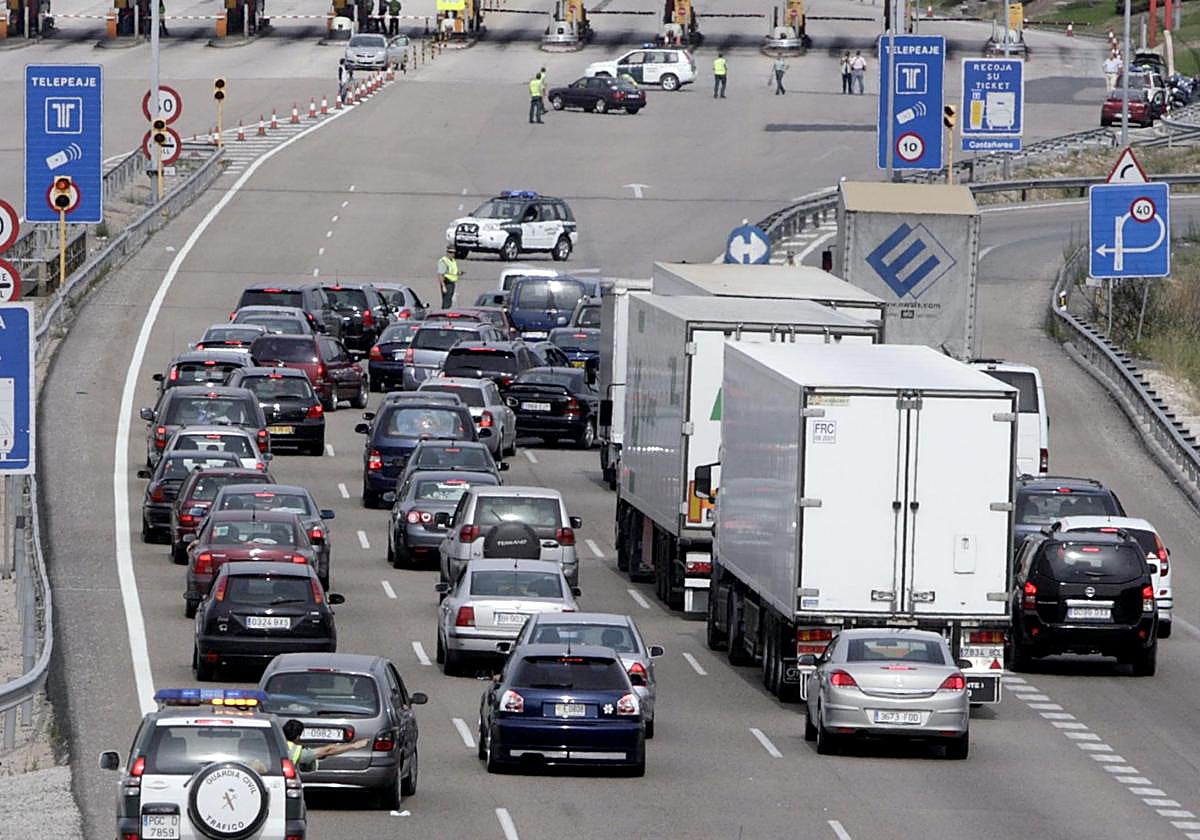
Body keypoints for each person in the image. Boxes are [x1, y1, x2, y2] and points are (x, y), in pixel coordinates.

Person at [282, 720, 369, 772]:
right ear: (298, 737)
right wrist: (353, 745)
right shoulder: (297, 752)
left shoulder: (273, 742)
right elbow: (328, 750)